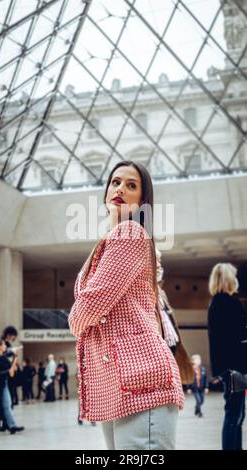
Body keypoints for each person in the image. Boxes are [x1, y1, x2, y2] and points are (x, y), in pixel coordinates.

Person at [69, 160, 184, 450]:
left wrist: (76, 319)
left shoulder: (129, 234)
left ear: (142, 200)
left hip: (140, 379)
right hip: (119, 383)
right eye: (115, 182)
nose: (120, 188)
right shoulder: (110, 240)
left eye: (131, 185)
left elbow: (91, 304)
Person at [208, 263, 247, 450]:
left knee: (237, 414)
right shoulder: (228, 303)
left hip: (229, 368)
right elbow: (237, 336)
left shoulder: (217, 302)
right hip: (235, 368)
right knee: (234, 415)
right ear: (228, 279)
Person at [156, 249, 193, 386]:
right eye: (156, 262)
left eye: (160, 262)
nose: (160, 266)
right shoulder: (144, 291)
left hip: (171, 342)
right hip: (158, 345)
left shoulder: (162, 293)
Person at [0, 340, 24, 434]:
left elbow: (11, 372)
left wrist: (15, 358)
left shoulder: (3, 358)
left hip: (3, 384)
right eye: (3, 344)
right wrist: (11, 367)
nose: (5, 346)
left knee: (7, 405)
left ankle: (12, 426)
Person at [1, 326, 23, 407]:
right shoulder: (2, 343)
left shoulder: (7, 343)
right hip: (5, 371)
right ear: (9, 334)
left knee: (11, 389)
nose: (14, 338)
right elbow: (4, 354)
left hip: (9, 370)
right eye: (14, 336)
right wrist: (13, 350)